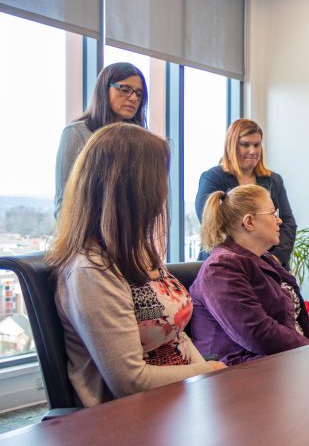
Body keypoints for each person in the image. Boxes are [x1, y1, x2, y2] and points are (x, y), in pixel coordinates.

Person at [45, 123, 225, 407]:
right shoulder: (91, 270)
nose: (164, 192)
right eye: (159, 179)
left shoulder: (137, 252)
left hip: (180, 401)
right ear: (133, 189)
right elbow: (130, 382)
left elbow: (176, 338)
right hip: (129, 422)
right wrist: (210, 372)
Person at [190, 184, 309, 365]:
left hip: (284, 362)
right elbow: (259, 334)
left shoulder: (265, 259)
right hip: (243, 372)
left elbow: (299, 319)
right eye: (272, 214)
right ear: (249, 222)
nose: (279, 221)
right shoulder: (220, 268)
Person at [195, 118, 297, 268]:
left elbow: (287, 223)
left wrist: (274, 259)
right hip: (225, 263)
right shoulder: (213, 178)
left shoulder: (274, 180)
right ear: (231, 145)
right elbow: (211, 222)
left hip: (268, 264)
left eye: (257, 145)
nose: (253, 151)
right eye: (245, 144)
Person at [55, 62, 148, 217]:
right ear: (104, 90)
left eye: (139, 94)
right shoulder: (77, 133)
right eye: (125, 90)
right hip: (84, 234)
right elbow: (64, 200)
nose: (133, 98)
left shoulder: (141, 143)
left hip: (126, 235)